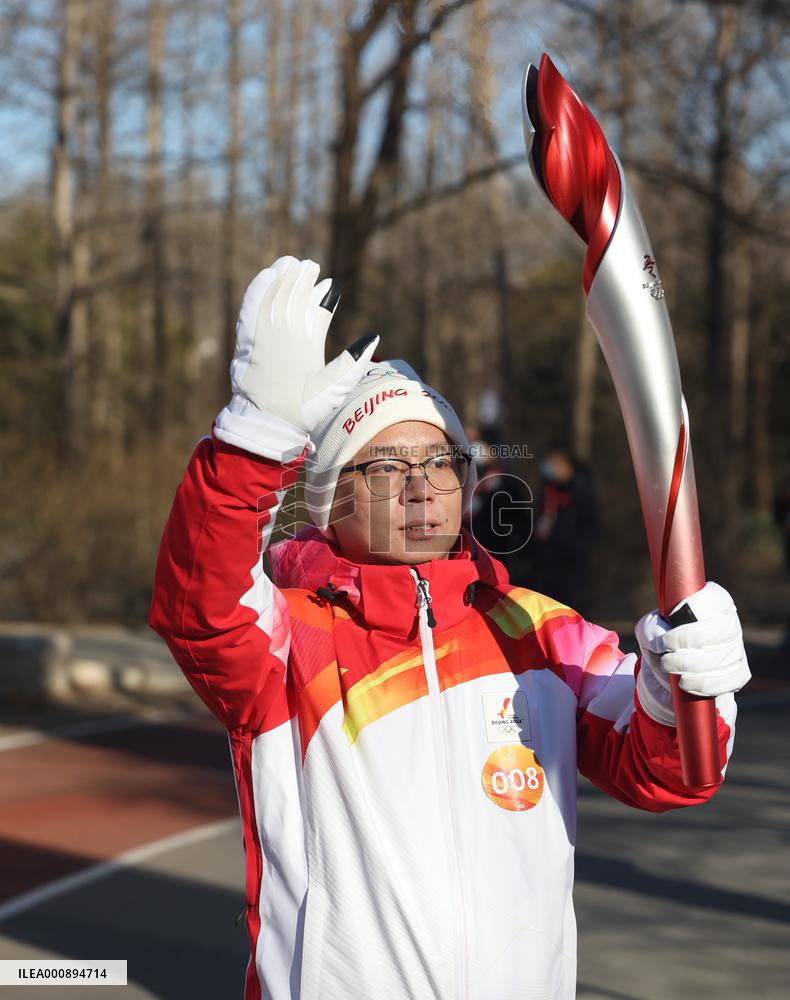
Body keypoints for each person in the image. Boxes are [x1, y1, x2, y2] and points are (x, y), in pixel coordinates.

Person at [149, 257, 751, 1000]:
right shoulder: (290, 642)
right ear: (329, 497)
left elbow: (672, 773)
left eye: (441, 462)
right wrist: (253, 434)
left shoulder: (539, 633)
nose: (420, 488)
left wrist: (686, 684)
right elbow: (197, 606)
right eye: (384, 468)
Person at [529, 446, 598, 616]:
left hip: (571, 561)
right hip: (547, 558)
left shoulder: (580, 489)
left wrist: (577, 547)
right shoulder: (548, 490)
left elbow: (591, 523)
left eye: (556, 463)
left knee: (573, 602)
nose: (551, 467)